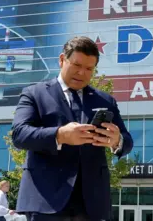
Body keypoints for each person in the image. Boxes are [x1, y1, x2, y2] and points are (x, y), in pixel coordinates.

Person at [11, 36, 133, 221]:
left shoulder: (106, 101)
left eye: (89, 69)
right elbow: (20, 135)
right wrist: (59, 135)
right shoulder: (34, 94)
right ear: (62, 60)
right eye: (77, 65)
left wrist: (117, 141)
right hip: (45, 199)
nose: (82, 73)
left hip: (92, 203)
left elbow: (127, 141)